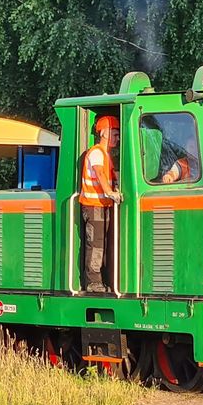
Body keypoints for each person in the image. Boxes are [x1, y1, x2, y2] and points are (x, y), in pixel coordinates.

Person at [80, 114, 122, 293]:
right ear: (104, 132)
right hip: (93, 204)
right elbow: (100, 174)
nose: (117, 138)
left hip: (103, 205)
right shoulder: (96, 152)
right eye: (115, 133)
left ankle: (102, 280)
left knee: (102, 244)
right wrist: (110, 192)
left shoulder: (106, 155)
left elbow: (112, 176)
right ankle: (92, 283)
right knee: (96, 244)